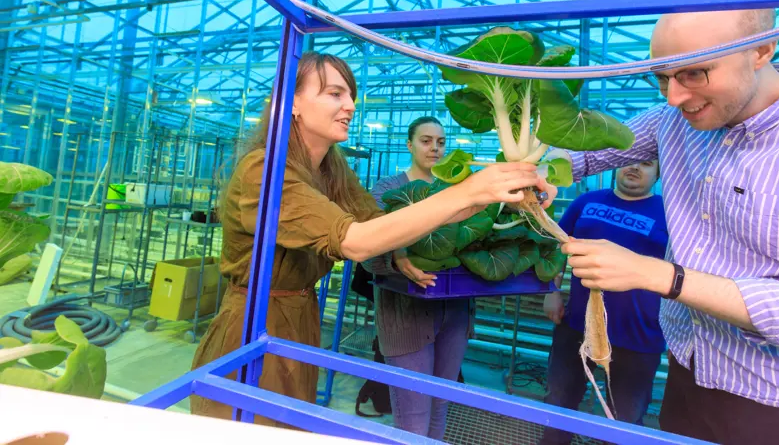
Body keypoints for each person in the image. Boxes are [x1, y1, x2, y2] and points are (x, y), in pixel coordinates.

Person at [188, 51, 557, 429]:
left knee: (291, 427)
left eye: (350, 95)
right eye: (334, 94)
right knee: (246, 427)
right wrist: (468, 191)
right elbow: (355, 241)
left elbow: (377, 219)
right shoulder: (263, 169)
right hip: (253, 323)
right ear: (293, 102)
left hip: (301, 317)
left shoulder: (330, 164)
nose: (350, 105)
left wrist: (485, 197)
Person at [547, 0, 779, 443]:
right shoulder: (672, 121)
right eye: (661, 76)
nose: (673, 96)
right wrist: (535, 169)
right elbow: (590, 152)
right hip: (688, 365)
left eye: (694, 73)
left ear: (762, 50)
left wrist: (663, 276)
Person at [540, 160, 668, 445]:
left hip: (637, 335)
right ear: (615, 167)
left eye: (646, 164)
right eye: (629, 162)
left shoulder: (669, 213)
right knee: (558, 402)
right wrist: (552, 291)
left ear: (658, 173)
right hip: (576, 325)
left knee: (624, 419)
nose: (634, 168)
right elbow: (557, 249)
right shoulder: (587, 202)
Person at [362, 116, 471, 440]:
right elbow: (368, 253)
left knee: (440, 407)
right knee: (412, 416)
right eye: (426, 141)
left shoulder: (459, 192)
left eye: (440, 142)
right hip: (404, 317)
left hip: (454, 312)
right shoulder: (387, 190)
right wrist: (397, 257)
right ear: (409, 145)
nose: (434, 148)